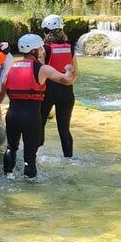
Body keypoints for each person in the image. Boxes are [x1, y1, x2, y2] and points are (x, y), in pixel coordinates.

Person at [0, 34, 77, 178]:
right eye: (41, 48)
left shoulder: (12, 67)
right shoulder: (42, 69)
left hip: (12, 116)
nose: (43, 50)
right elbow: (66, 80)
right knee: (29, 157)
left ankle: (8, 176)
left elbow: (0, 94)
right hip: (32, 118)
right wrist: (69, 69)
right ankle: (30, 188)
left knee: (11, 148)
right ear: (34, 50)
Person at [39, 14, 78, 158]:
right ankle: (68, 159)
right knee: (64, 129)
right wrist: (67, 83)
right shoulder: (70, 47)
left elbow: (41, 72)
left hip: (48, 91)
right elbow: (75, 73)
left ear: (46, 31)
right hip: (67, 92)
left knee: (40, 124)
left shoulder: (44, 48)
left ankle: (37, 156)